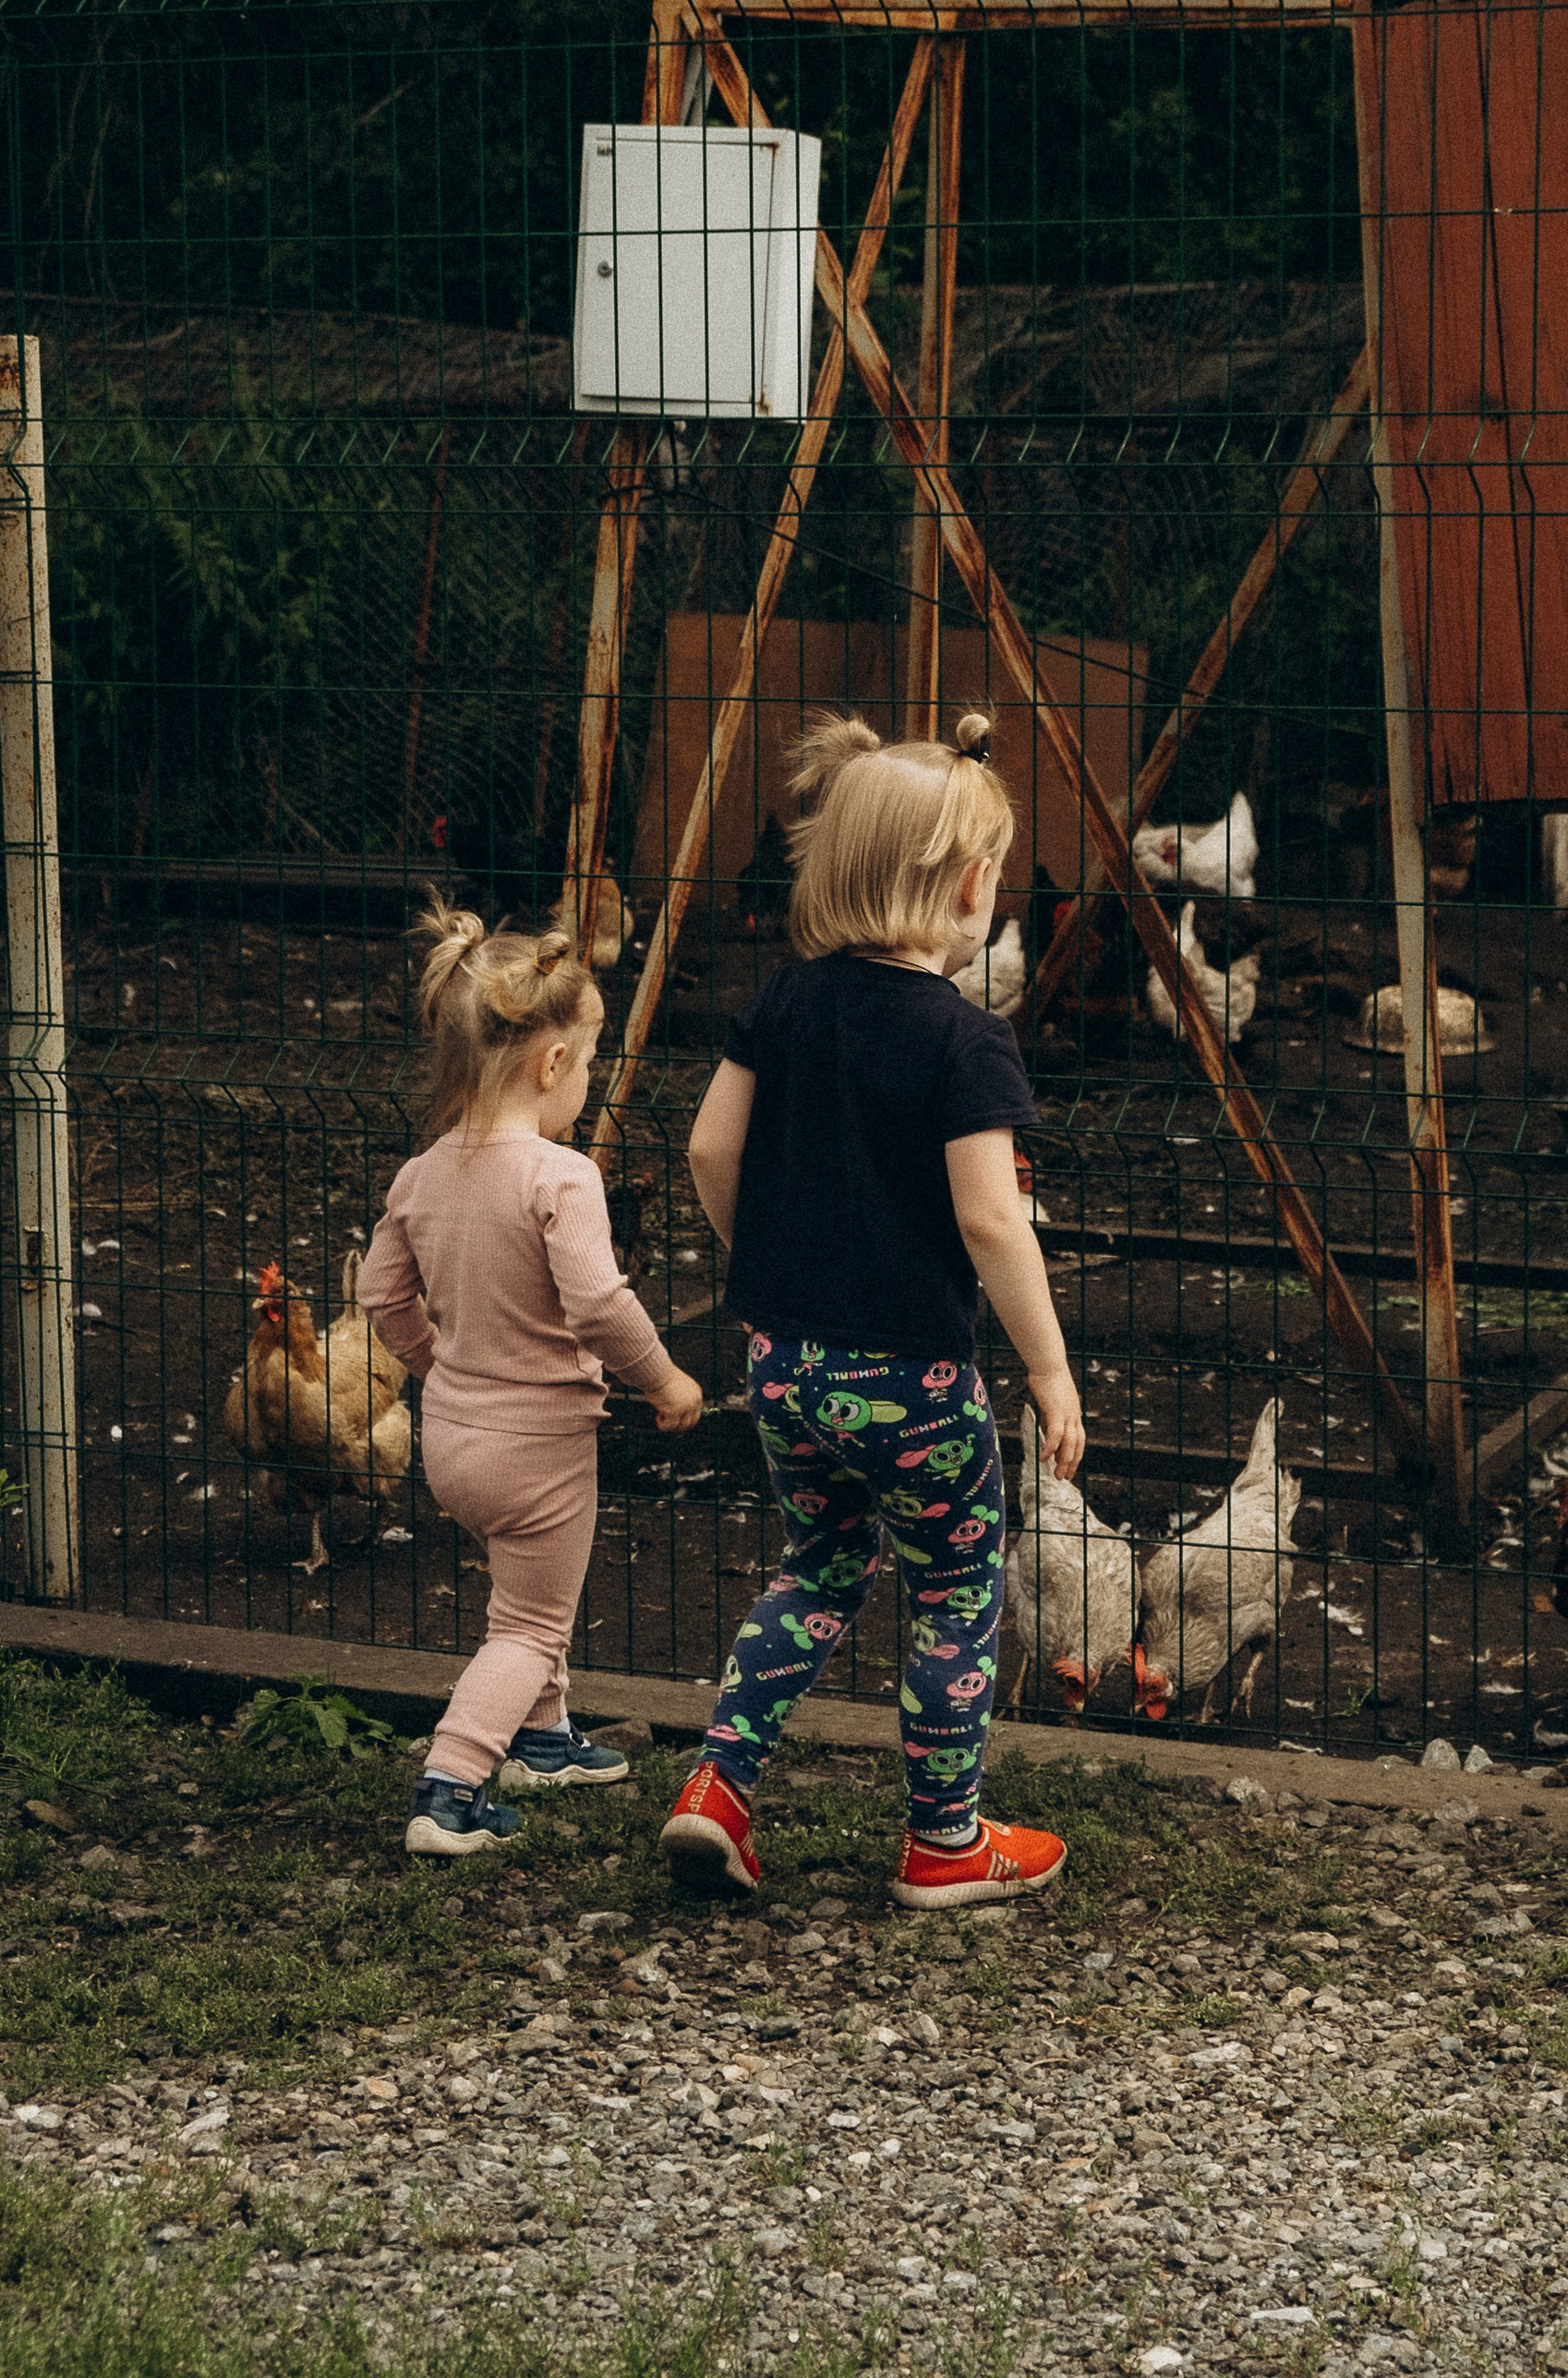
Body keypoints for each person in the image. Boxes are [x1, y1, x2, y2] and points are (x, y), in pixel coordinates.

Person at [662, 711, 1080, 1912]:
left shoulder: (785, 1004)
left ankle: (717, 1788)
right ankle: (945, 1843)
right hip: (916, 1384)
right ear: (962, 888)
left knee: (819, 1566)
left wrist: (781, 1271)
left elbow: (706, 1148)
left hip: (786, 1370)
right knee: (953, 1588)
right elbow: (995, 1223)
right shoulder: (966, 1041)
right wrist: (1050, 1371)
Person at [358, 899, 704, 1856]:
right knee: (529, 1622)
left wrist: (443, 1367)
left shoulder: (423, 1173)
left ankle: (544, 1740)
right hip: (540, 1447)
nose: (584, 1086)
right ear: (552, 1063)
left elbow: (381, 1295)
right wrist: (665, 1381)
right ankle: (451, 1785)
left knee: (521, 1594)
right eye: (586, 1067)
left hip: (451, 1440)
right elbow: (596, 1305)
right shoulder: (559, 1178)